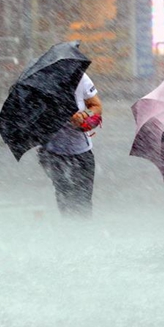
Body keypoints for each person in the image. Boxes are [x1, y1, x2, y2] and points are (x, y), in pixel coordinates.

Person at [38, 73, 103, 219]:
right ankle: (69, 233)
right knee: (64, 195)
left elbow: (96, 106)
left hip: (81, 151)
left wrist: (84, 115)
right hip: (53, 152)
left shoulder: (81, 78)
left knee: (83, 199)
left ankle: (82, 233)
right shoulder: (42, 83)